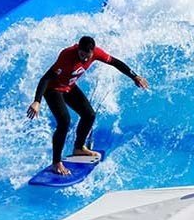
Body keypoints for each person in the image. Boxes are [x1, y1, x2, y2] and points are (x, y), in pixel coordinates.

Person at [27, 36, 148, 175]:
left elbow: (115, 62)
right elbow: (46, 77)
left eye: (87, 55)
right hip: (53, 89)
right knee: (64, 121)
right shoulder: (66, 55)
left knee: (89, 115)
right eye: (81, 54)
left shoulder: (96, 53)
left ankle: (78, 148)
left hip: (69, 87)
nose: (84, 58)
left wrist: (135, 76)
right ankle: (56, 163)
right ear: (78, 49)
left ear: (92, 51)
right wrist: (37, 101)